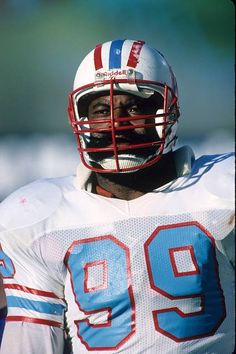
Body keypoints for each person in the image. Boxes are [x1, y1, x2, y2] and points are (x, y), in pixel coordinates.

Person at [0, 39, 234, 354]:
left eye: (134, 106)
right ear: (79, 117)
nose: (117, 122)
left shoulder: (222, 189)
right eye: (100, 109)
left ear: (169, 111)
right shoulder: (37, 218)